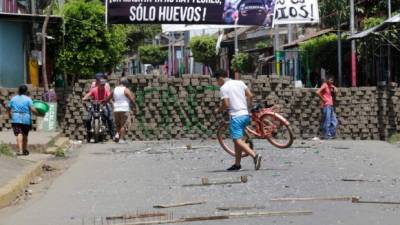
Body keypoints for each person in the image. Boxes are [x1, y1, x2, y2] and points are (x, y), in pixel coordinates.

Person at [214, 69, 262, 171]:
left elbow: (226, 104)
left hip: (236, 116)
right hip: (245, 115)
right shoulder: (239, 82)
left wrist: (219, 110)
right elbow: (250, 95)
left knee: (237, 140)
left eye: (217, 81)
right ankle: (237, 164)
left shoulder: (224, 88)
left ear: (220, 78)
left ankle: (255, 155)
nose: (217, 83)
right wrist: (248, 106)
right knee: (238, 140)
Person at [6, 85, 38, 155]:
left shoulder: (13, 98)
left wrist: (9, 114)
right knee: (25, 135)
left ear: (19, 91)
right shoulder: (28, 99)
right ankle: (24, 149)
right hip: (26, 119)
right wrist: (38, 113)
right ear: (26, 91)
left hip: (16, 118)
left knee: (18, 134)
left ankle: (20, 150)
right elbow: (32, 109)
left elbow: (8, 108)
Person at [105, 77, 137, 143]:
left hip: (116, 109)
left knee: (118, 124)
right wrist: (134, 106)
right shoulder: (126, 90)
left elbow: (108, 98)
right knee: (124, 125)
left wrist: (104, 103)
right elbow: (131, 99)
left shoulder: (115, 89)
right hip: (124, 109)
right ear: (125, 83)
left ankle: (118, 136)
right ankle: (121, 139)